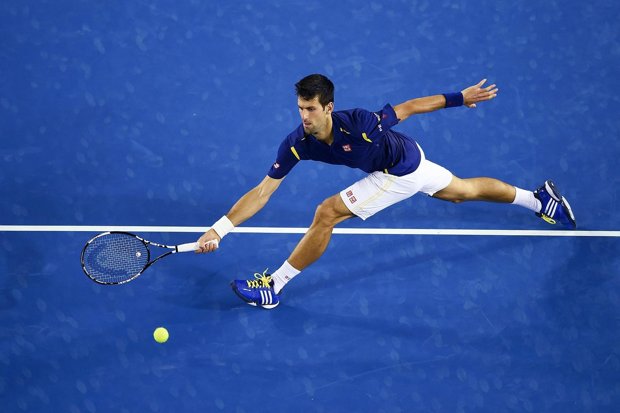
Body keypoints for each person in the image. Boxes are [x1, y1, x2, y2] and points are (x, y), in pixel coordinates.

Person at [195, 74, 576, 309]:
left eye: (311, 109)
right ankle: (539, 199)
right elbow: (263, 192)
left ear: (329, 107)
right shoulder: (298, 143)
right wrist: (219, 228)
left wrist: (461, 97)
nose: (304, 117)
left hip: (399, 171)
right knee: (460, 191)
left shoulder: (361, 123)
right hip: (412, 157)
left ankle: (274, 286)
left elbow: (408, 107)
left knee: (326, 213)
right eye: (300, 109)